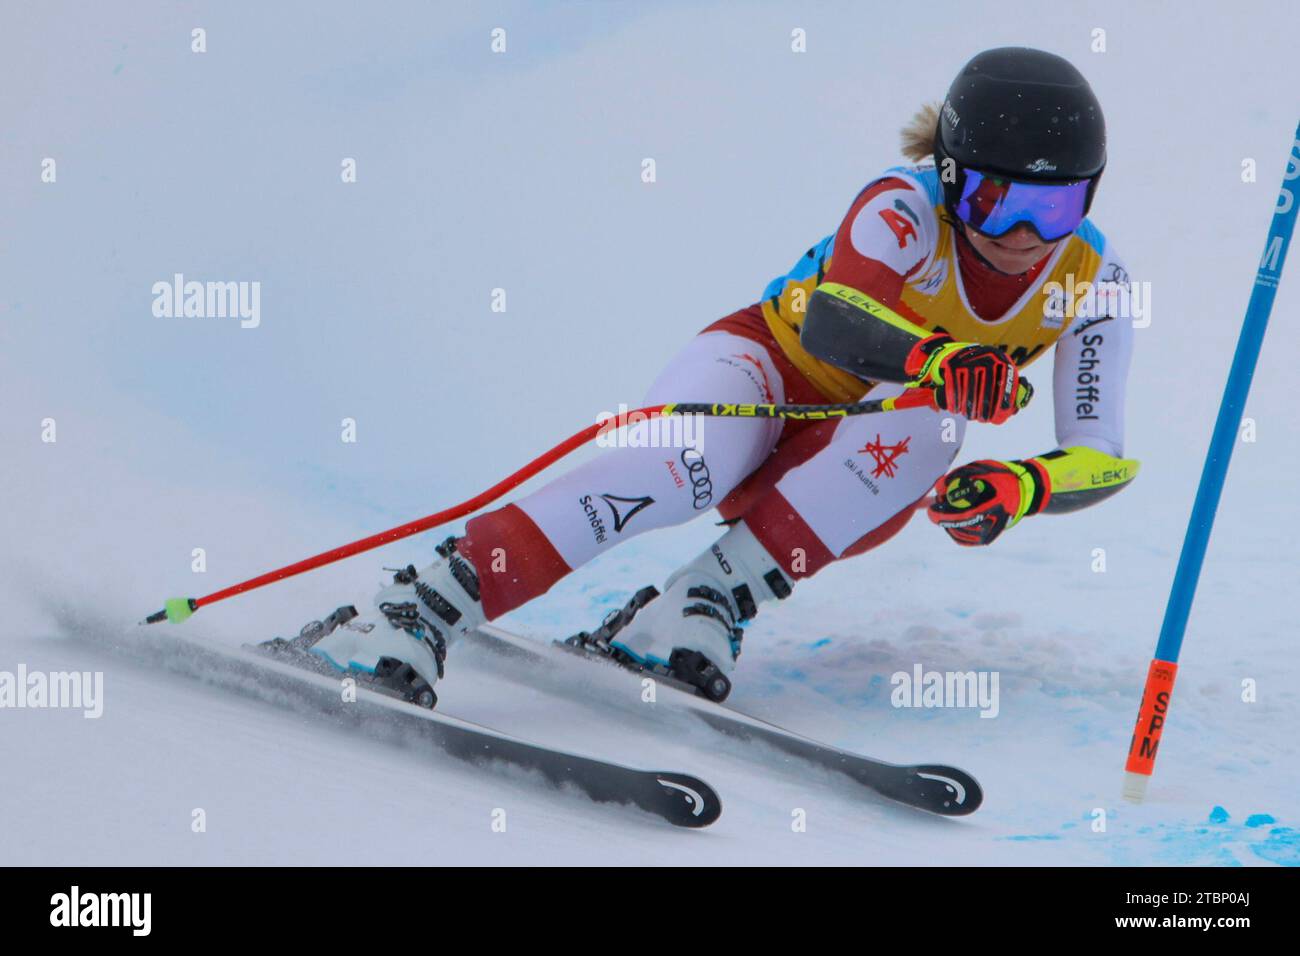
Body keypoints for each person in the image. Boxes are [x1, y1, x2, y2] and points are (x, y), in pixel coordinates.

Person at [312, 46, 1139, 706]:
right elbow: (835, 319)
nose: (1028, 234)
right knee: (684, 467)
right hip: (761, 374)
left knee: (936, 430)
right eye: (998, 202)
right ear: (952, 177)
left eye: (1057, 207)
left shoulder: (1093, 283)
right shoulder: (901, 209)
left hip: (841, 451)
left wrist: (1022, 487)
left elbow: (1102, 451)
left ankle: (698, 604)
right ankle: (417, 607)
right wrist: (937, 357)